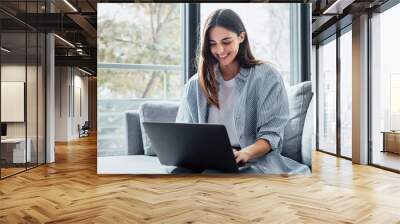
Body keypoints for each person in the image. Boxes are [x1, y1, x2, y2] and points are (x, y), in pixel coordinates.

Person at [174, 9, 310, 175]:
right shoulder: (195, 84)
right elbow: (184, 136)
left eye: (226, 41)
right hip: (208, 161)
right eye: (212, 43)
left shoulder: (267, 77)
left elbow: (271, 135)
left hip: (254, 159)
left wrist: (245, 153)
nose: (220, 50)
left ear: (241, 37)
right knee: (177, 175)